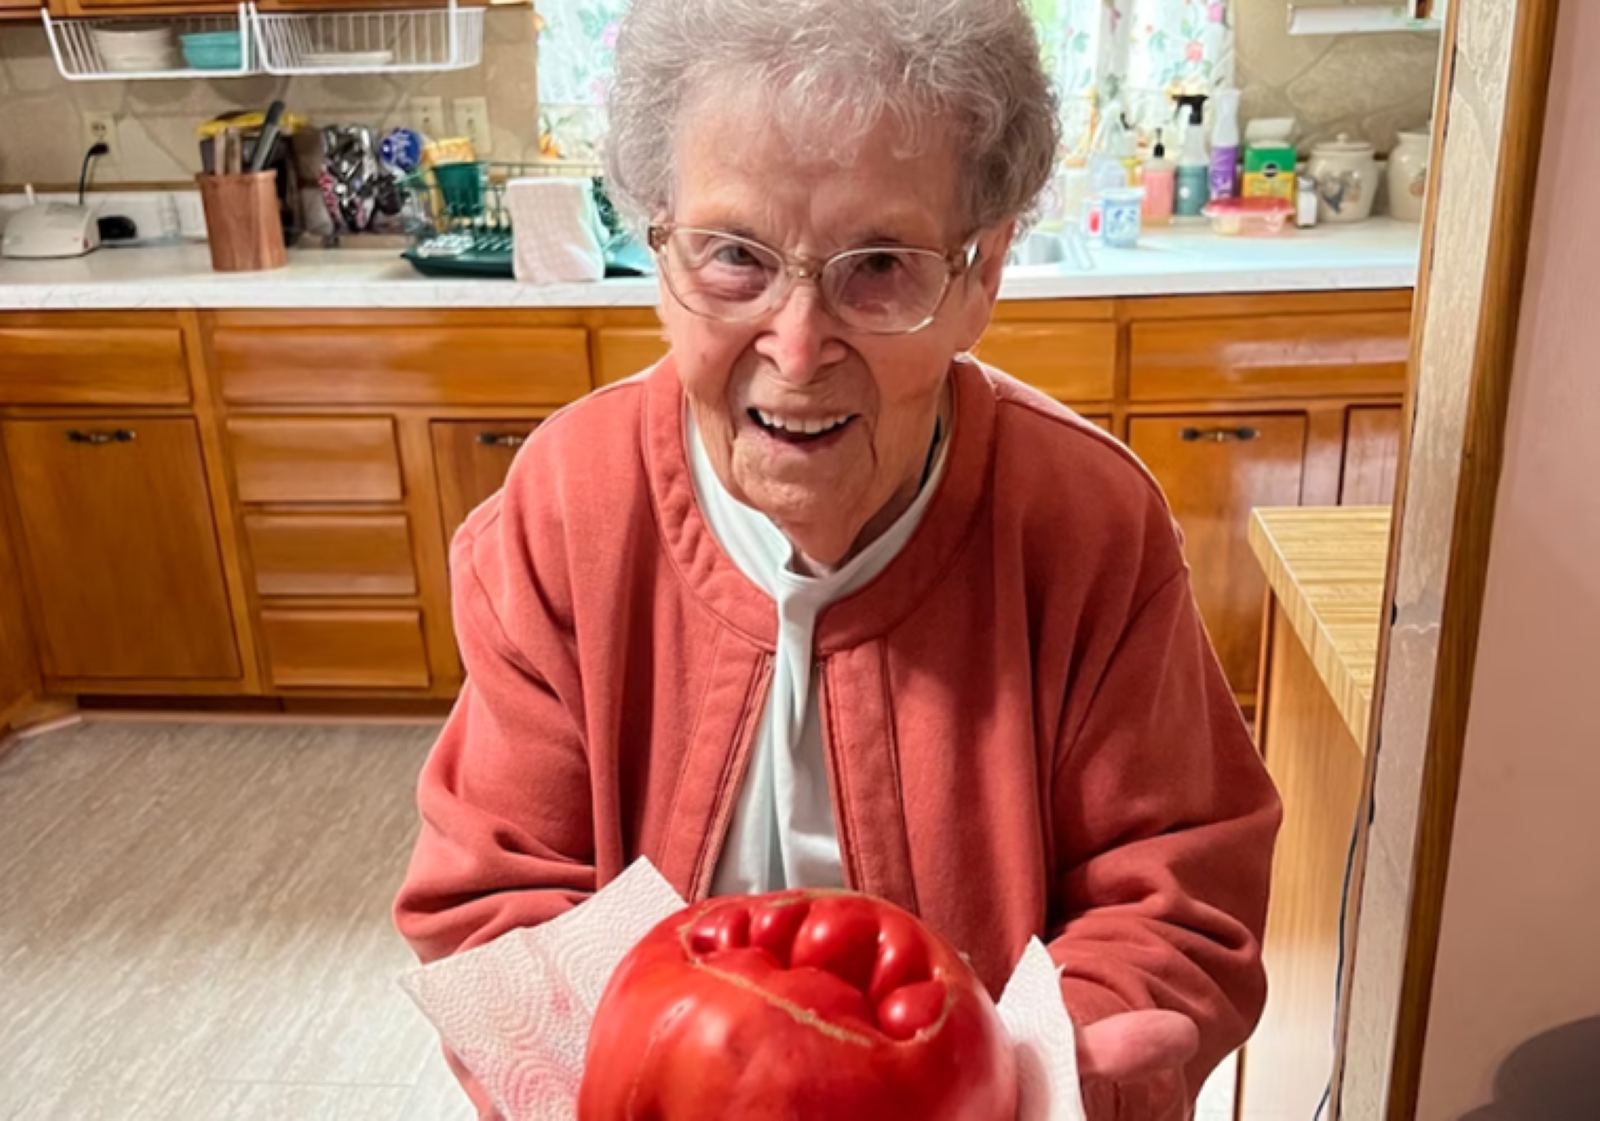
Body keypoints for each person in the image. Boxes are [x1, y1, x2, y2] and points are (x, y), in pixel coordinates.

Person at [394, 0, 1281, 1116]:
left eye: (878, 266)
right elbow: (497, 888)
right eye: (733, 256)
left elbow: (1175, 891)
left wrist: (1057, 1063)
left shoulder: (1086, 523)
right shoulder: (570, 504)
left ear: (981, 274)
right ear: (658, 241)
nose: (798, 344)